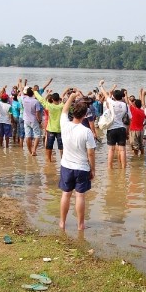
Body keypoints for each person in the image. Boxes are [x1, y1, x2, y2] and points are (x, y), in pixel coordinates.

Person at [58, 91, 96, 231]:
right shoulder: (86, 131)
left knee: (66, 194)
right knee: (80, 196)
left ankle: (62, 222)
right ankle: (81, 225)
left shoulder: (64, 124)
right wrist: (93, 169)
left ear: (73, 113)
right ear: (85, 115)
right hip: (82, 167)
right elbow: (91, 153)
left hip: (66, 165)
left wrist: (72, 97)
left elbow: (64, 109)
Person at [98, 80, 129, 169]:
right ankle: (123, 168)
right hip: (122, 128)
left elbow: (105, 94)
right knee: (122, 150)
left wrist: (101, 86)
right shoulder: (125, 105)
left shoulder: (112, 103)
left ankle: (109, 167)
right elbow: (129, 117)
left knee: (111, 149)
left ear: (114, 97)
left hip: (112, 129)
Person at [35, 90, 64, 162]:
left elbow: (41, 100)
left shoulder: (49, 106)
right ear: (59, 99)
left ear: (52, 99)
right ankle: (63, 160)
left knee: (49, 146)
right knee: (61, 146)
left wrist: (35, 92)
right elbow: (68, 102)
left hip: (50, 129)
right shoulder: (62, 106)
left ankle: (48, 159)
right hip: (60, 129)